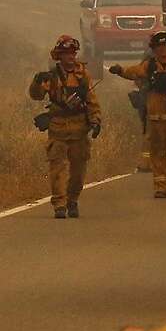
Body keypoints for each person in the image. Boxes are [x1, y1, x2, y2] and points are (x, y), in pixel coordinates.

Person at [109, 32, 166, 198]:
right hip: (155, 119)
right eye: (158, 47)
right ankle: (161, 188)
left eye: (165, 46)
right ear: (154, 49)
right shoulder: (148, 66)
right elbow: (133, 72)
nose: (162, 50)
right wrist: (120, 70)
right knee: (157, 155)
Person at [29, 35, 101, 219]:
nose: (71, 56)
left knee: (78, 172)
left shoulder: (83, 75)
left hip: (79, 130)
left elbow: (92, 101)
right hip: (58, 129)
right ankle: (59, 205)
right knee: (57, 170)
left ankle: (72, 200)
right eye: (67, 53)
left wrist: (96, 120)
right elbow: (36, 95)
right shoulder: (51, 76)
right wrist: (37, 82)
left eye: (73, 53)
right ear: (59, 56)